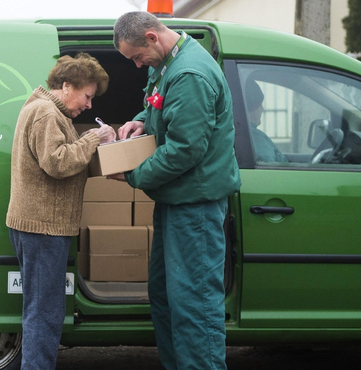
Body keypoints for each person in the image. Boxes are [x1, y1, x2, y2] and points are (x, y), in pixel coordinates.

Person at [110, 11, 241, 370]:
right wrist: (140, 118)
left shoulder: (189, 74)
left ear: (152, 37)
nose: (137, 66)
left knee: (194, 305)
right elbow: (165, 109)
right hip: (175, 201)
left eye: (137, 57)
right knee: (166, 297)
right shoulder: (168, 63)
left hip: (194, 207)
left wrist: (134, 175)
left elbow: (185, 149)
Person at [6, 52, 114, 370]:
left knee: (44, 309)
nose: (89, 105)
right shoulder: (45, 113)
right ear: (67, 86)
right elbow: (57, 162)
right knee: (44, 313)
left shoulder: (51, 112)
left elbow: (63, 159)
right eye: (87, 96)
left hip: (42, 227)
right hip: (42, 228)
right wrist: (94, 137)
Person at [245, 81, 288, 163]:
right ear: (252, 109)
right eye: (260, 105)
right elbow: (271, 171)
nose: (262, 109)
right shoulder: (255, 139)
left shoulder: (247, 135)